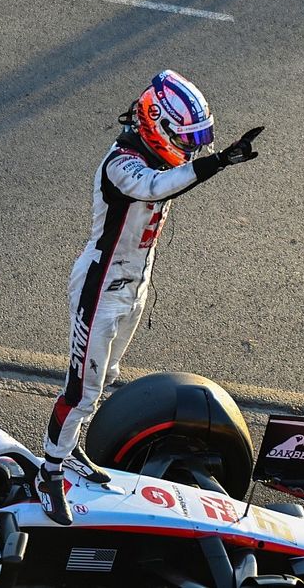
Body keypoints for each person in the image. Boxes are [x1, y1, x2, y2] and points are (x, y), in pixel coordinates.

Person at [36, 69, 263, 524]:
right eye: (183, 138)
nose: (188, 149)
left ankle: (72, 449)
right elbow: (157, 187)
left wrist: (216, 160)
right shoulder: (120, 164)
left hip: (133, 287)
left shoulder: (158, 160)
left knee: (106, 376)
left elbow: (172, 177)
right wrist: (216, 163)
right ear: (154, 122)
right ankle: (48, 470)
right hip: (100, 288)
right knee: (82, 388)